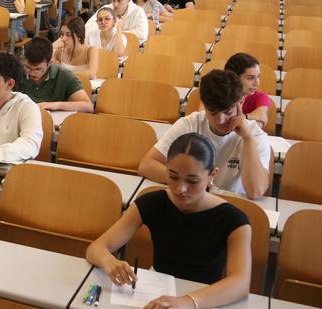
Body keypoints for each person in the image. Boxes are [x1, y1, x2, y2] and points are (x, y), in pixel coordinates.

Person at [87, 133, 252, 307]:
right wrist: (109, 261)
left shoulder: (234, 220)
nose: (180, 188)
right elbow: (95, 248)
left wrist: (189, 302)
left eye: (192, 181)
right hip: (157, 292)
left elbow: (240, 283)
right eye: (173, 177)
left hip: (206, 297)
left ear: (213, 175)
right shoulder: (152, 202)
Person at [138, 69, 271, 199]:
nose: (220, 120)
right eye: (212, 112)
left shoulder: (255, 136)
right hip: (193, 200)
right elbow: (147, 165)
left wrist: (248, 139)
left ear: (241, 102)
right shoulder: (190, 124)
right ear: (204, 106)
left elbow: (255, 192)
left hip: (230, 207)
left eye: (227, 112)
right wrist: (195, 183)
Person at [17, 37, 93, 113]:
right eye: (28, 67)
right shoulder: (16, 73)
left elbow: (88, 106)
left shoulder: (64, 75)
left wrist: (54, 105)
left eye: (38, 69)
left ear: (50, 63)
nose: (32, 73)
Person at [225, 53, 271, 129]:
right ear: (234, 78)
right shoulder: (218, 92)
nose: (257, 83)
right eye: (250, 78)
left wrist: (242, 117)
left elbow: (258, 125)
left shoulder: (261, 97)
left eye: (258, 76)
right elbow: (204, 116)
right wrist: (250, 118)